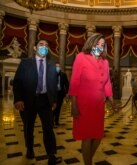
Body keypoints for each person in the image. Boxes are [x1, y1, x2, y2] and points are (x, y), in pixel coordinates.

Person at [12, 39, 62, 165]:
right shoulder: (25, 63)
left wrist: (54, 100)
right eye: (41, 45)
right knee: (28, 127)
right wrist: (18, 99)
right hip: (28, 101)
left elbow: (53, 84)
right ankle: (30, 149)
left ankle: (51, 155)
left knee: (48, 129)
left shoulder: (51, 64)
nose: (44, 47)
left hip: (45, 100)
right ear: (35, 48)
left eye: (46, 45)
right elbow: (17, 82)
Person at [68, 33, 114, 165]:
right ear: (91, 44)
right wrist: (74, 105)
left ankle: (88, 159)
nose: (100, 46)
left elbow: (107, 82)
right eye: (98, 44)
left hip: (98, 105)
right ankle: (88, 163)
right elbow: (74, 82)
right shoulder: (81, 58)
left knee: (98, 136)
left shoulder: (105, 62)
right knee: (87, 137)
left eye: (102, 45)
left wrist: (111, 98)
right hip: (83, 105)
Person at [53, 62, 69, 127]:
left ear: (60, 67)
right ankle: (51, 121)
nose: (57, 68)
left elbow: (67, 84)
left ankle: (56, 121)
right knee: (53, 107)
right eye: (56, 66)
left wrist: (67, 93)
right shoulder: (52, 74)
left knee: (58, 108)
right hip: (53, 94)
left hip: (60, 94)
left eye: (58, 66)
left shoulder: (63, 75)